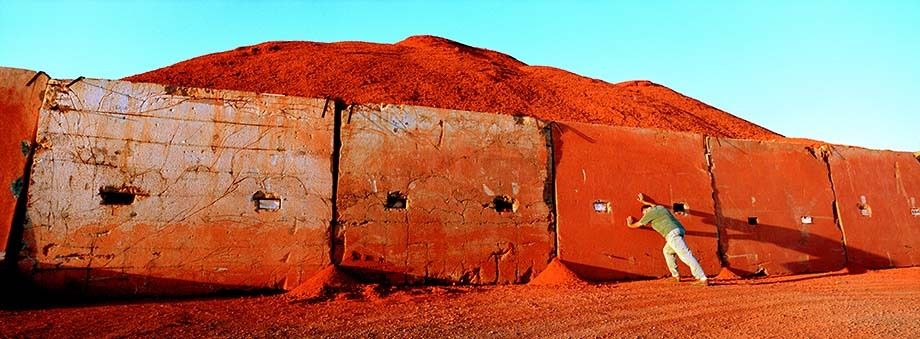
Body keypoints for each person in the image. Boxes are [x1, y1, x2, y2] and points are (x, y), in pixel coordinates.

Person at [626, 193, 709, 286]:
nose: (644, 215)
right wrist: (643, 201)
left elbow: (638, 224)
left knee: (685, 255)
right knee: (667, 251)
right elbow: (653, 205)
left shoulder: (649, 213)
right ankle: (676, 276)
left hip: (671, 234)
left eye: (644, 213)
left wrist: (629, 224)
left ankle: (702, 278)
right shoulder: (660, 208)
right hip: (677, 231)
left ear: (646, 210)